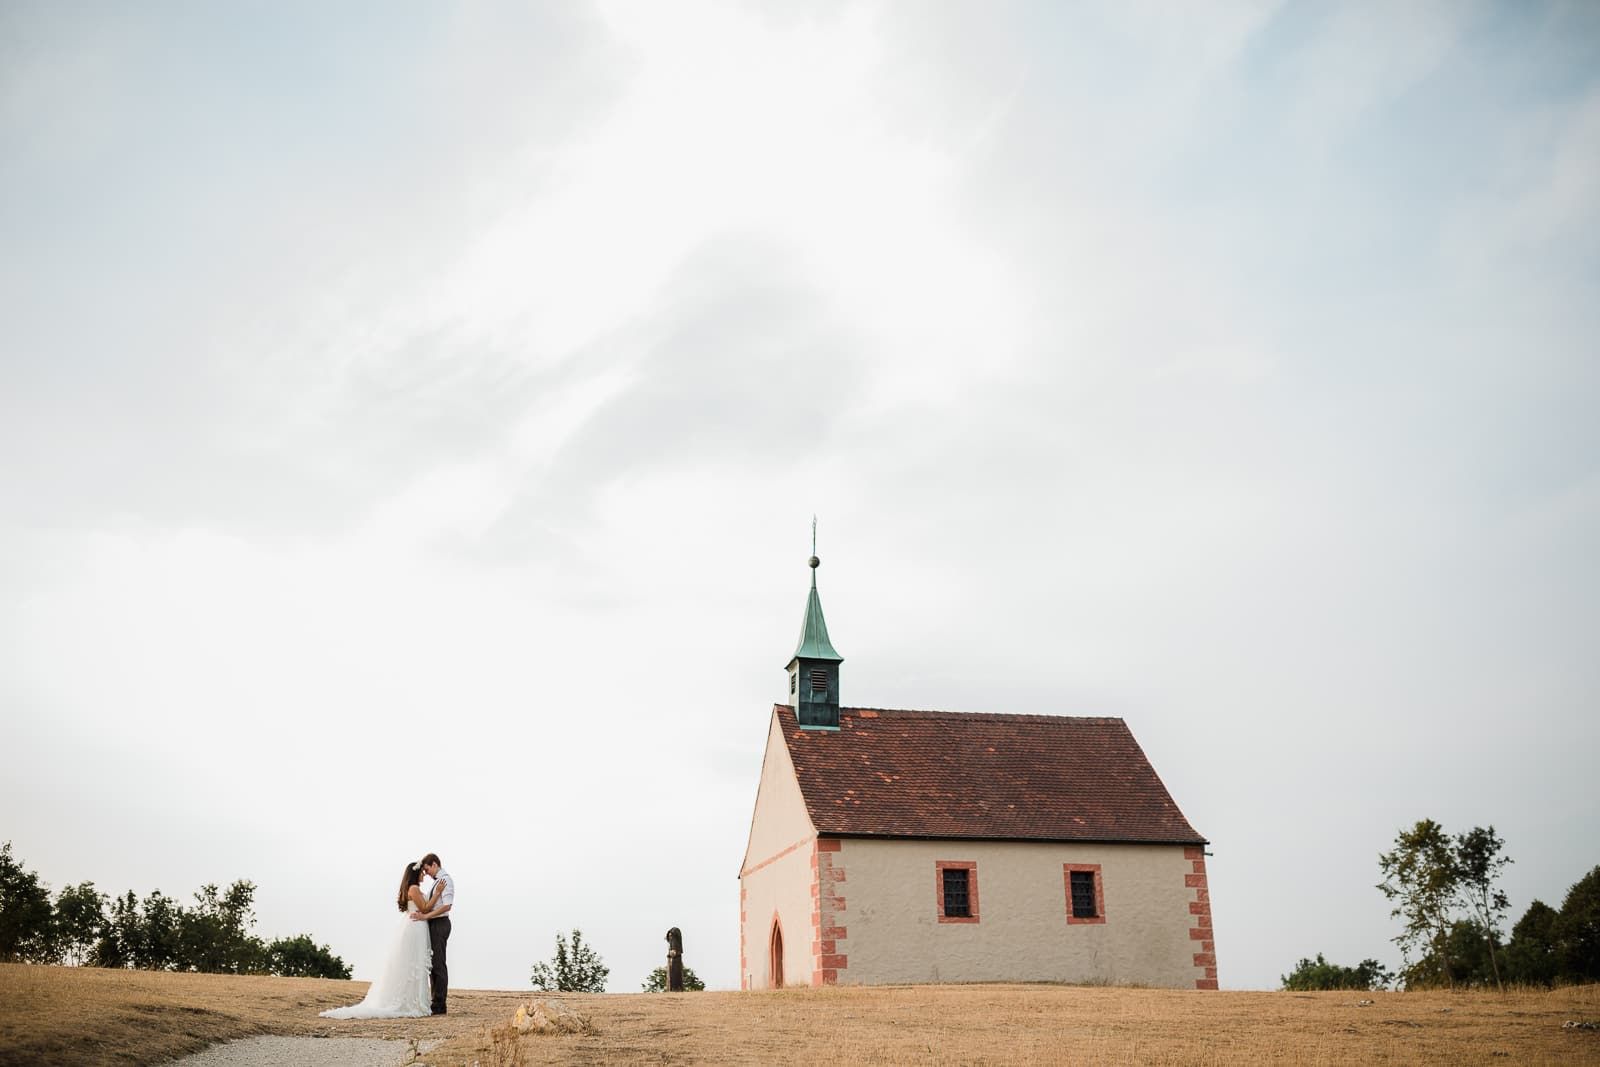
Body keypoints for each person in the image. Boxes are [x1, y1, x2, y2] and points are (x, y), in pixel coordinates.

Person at [320, 861, 443, 1019]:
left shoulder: (411, 888)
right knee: (413, 963)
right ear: (415, 874)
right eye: (422, 873)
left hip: (416, 926)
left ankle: (414, 999)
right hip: (415, 927)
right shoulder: (413, 888)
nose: (424, 876)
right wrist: (438, 893)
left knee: (414, 964)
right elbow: (425, 908)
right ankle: (411, 1001)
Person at [410, 852, 454, 1015]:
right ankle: (435, 1002)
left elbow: (447, 906)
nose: (426, 873)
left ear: (434, 865)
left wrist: (425, 916)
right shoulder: (437, 883)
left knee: (439, 964)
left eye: (427, 869)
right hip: (434, 923)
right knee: (433, 964)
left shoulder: (445, 880)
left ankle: (440, 1005)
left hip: (440, 924)